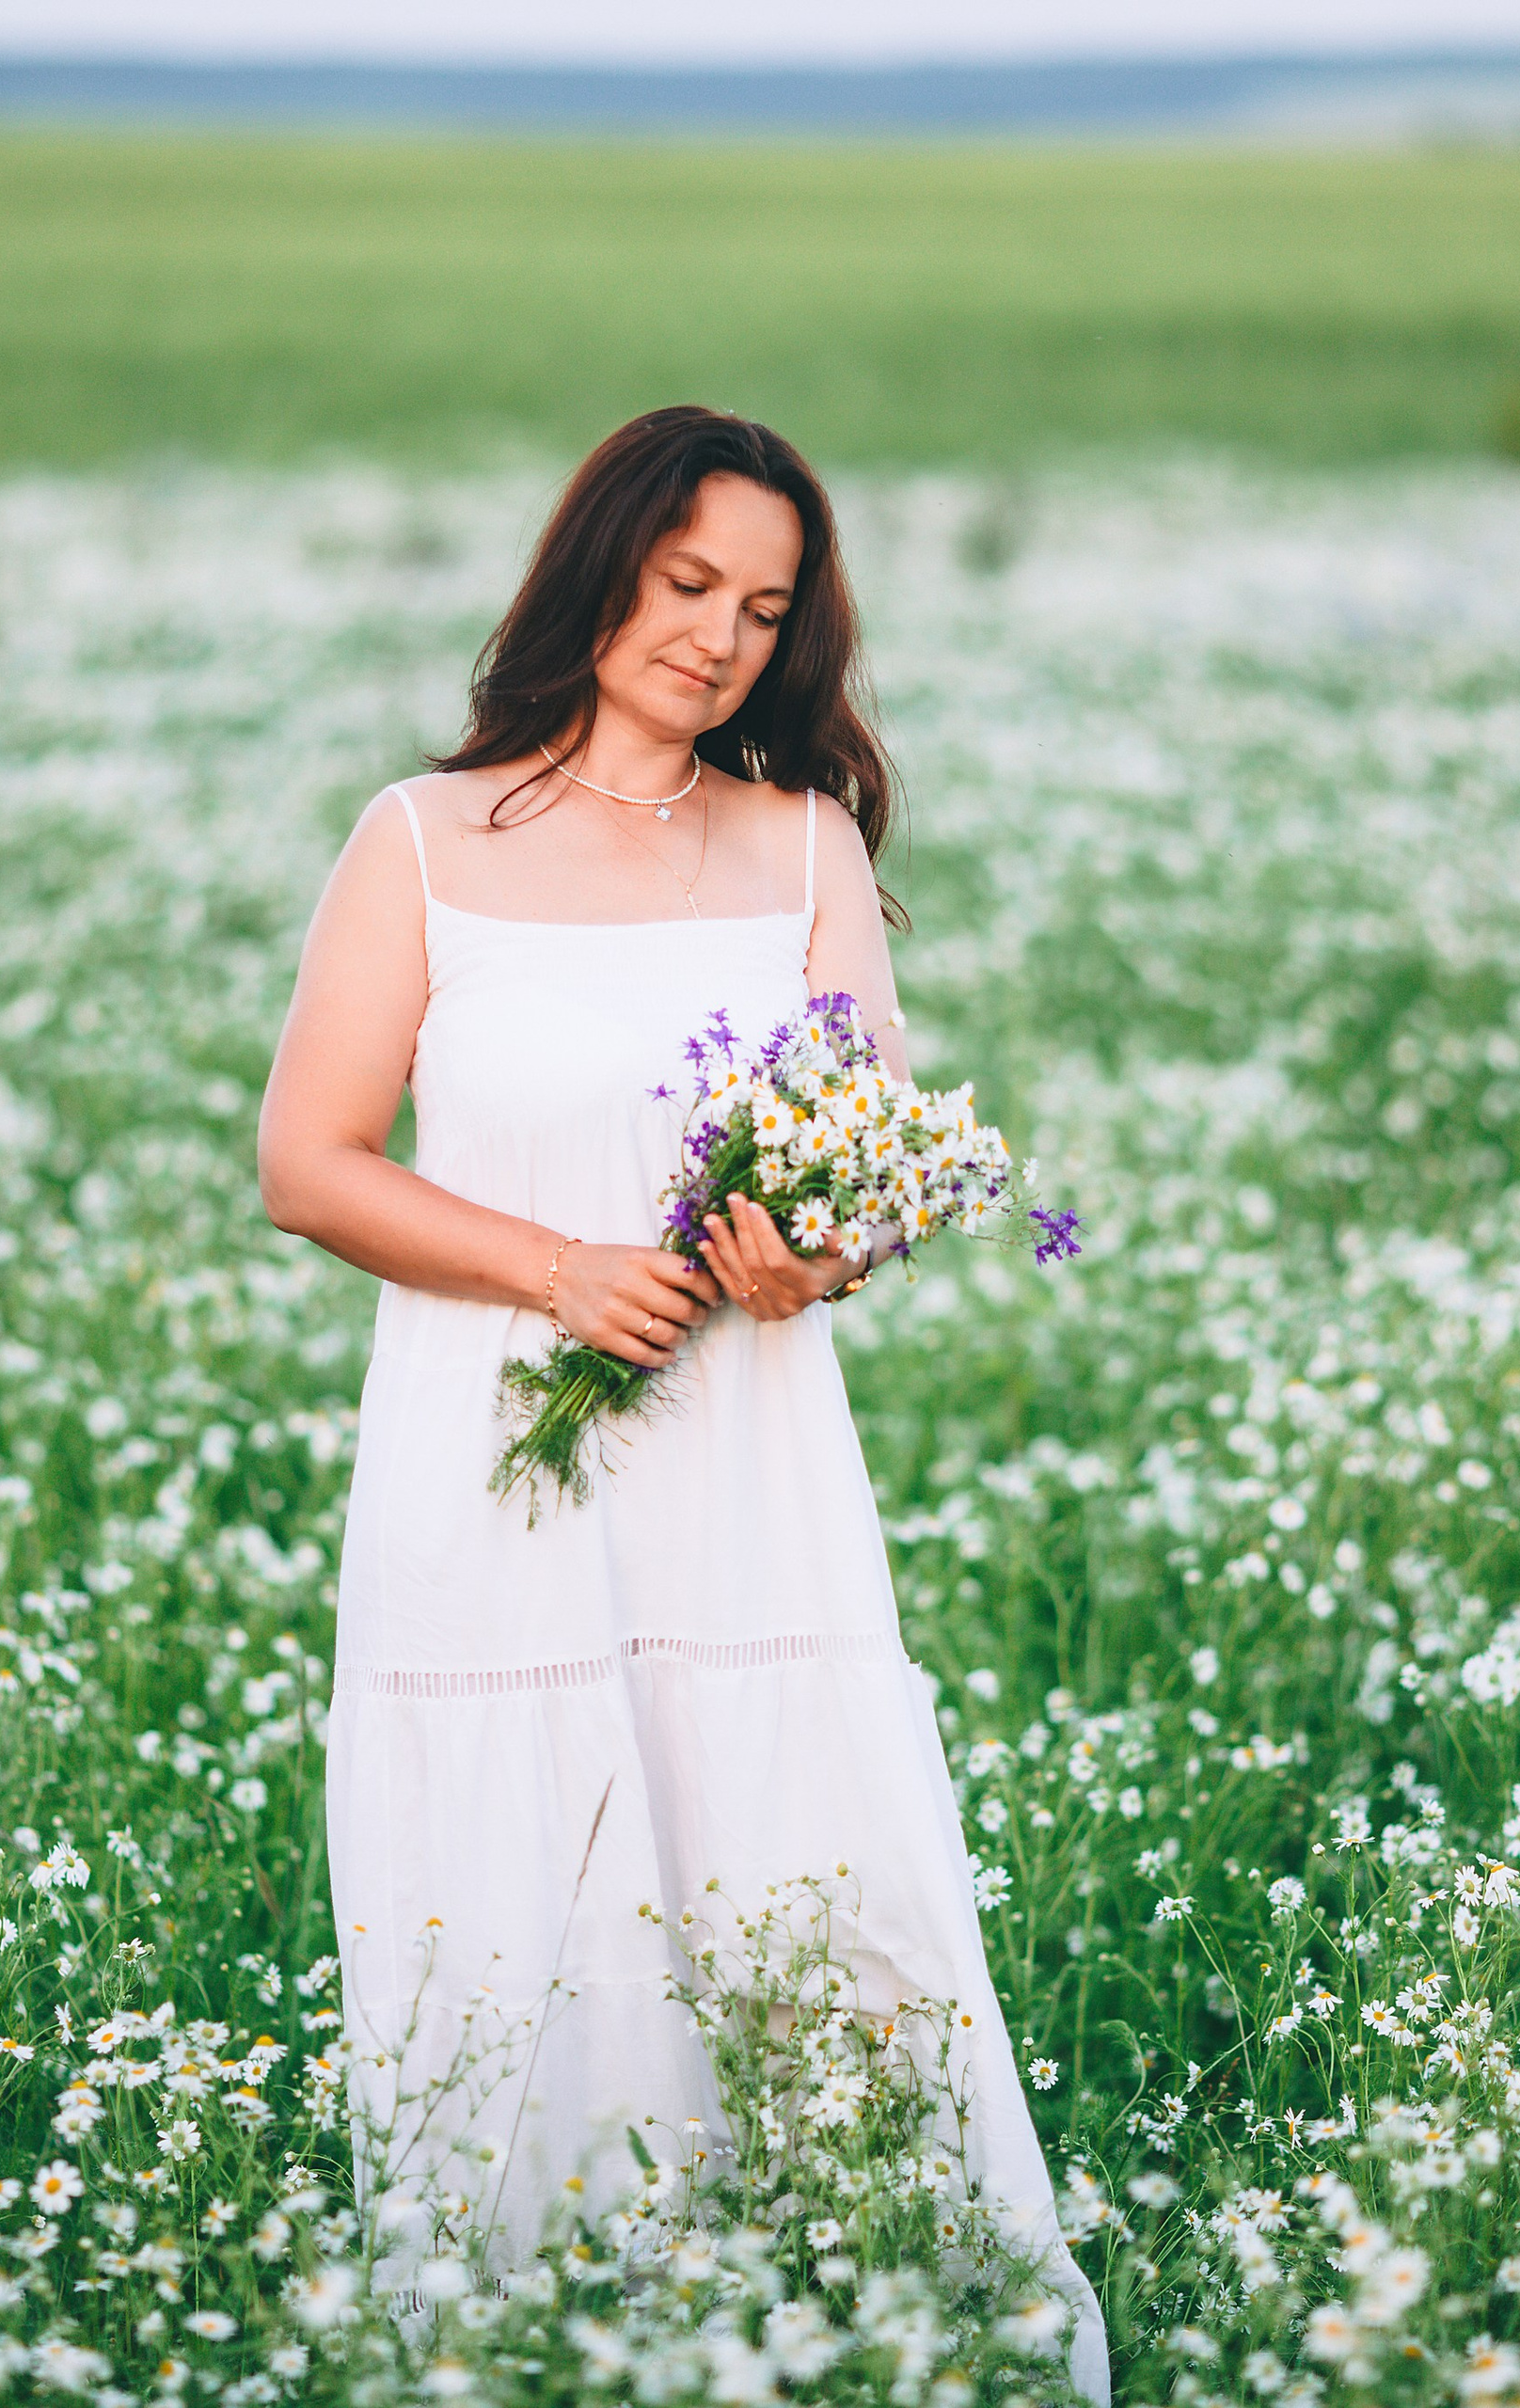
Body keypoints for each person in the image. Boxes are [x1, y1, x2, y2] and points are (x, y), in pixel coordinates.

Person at [259, 404, 1107, 2400]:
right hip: (494, 1466)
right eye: (687, 583)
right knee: (519, 1896)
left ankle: (861, 2320)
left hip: (748, 1477)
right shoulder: (423, 840)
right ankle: (536, 2337)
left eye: (765, 607)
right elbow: (308, 1163)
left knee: (791, 1862)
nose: (720, 636)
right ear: (601, 570)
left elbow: (863, 1166)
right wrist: (556, 1271)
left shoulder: (804, 845)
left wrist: (818, 1256)